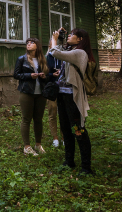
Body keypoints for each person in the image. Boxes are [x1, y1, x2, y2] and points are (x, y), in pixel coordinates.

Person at [48, 27, 93, 175]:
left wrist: (54, 40)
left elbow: (56, 52)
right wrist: (60, 38)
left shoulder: (80, 53)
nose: (69, 36)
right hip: (62, 96)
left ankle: (86, 167)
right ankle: (69, 161)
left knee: (78, 129)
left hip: (73, 97)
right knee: (66, 129)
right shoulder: (71, 52)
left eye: (72, 35)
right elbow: (60, 52)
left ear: (80, 39)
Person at [13, 37, 49, 156]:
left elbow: (47, 75)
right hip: (27, 92)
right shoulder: (21, 59)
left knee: (38, 119)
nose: (29, 44)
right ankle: (27, 147)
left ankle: (38, 144)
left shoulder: (42, 59)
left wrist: (44, 76)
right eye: (27, 43)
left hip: (41, 94)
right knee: (26, 119)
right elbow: (16, 75)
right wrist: (29, 75)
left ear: (37, 46)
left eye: (32, 43)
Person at [45, 53, 61, 147]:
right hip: (51, 88)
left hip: (64, 88)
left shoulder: (64, 56)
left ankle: (64, 137)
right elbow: (44, 73)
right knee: (52, 113)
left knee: (63, 114)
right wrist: (52, 74)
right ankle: (55, 138)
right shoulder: (47, 58)